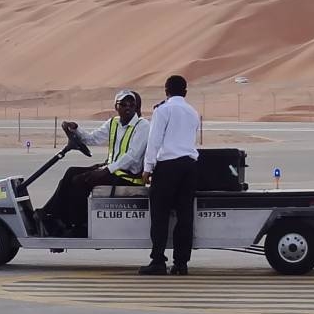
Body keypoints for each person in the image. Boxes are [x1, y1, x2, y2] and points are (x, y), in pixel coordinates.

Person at [38, 90, 149, 236]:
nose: (128, 107)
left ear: (136, 107)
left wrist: (106, 170)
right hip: (113, 170)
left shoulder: (142, 126)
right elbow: (93, 139)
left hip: (128, 177)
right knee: (71, 172)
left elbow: (133, 156)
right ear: (116, 107)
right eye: (123, 104)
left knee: (81, 181)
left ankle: (79, 225)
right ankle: (52, 215)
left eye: (131, 104)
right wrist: (76, 129)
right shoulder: (114, 122)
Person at [139, 75, 200, 276]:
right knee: (185, 216)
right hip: (189, 166)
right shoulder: (193, 112)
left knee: (160, 215)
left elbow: (154, 140)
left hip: (167, 166)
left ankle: (158, 260)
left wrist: (148, 168)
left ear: (166, 91)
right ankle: (181, 263)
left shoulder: (163, 110)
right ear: (185, 92)